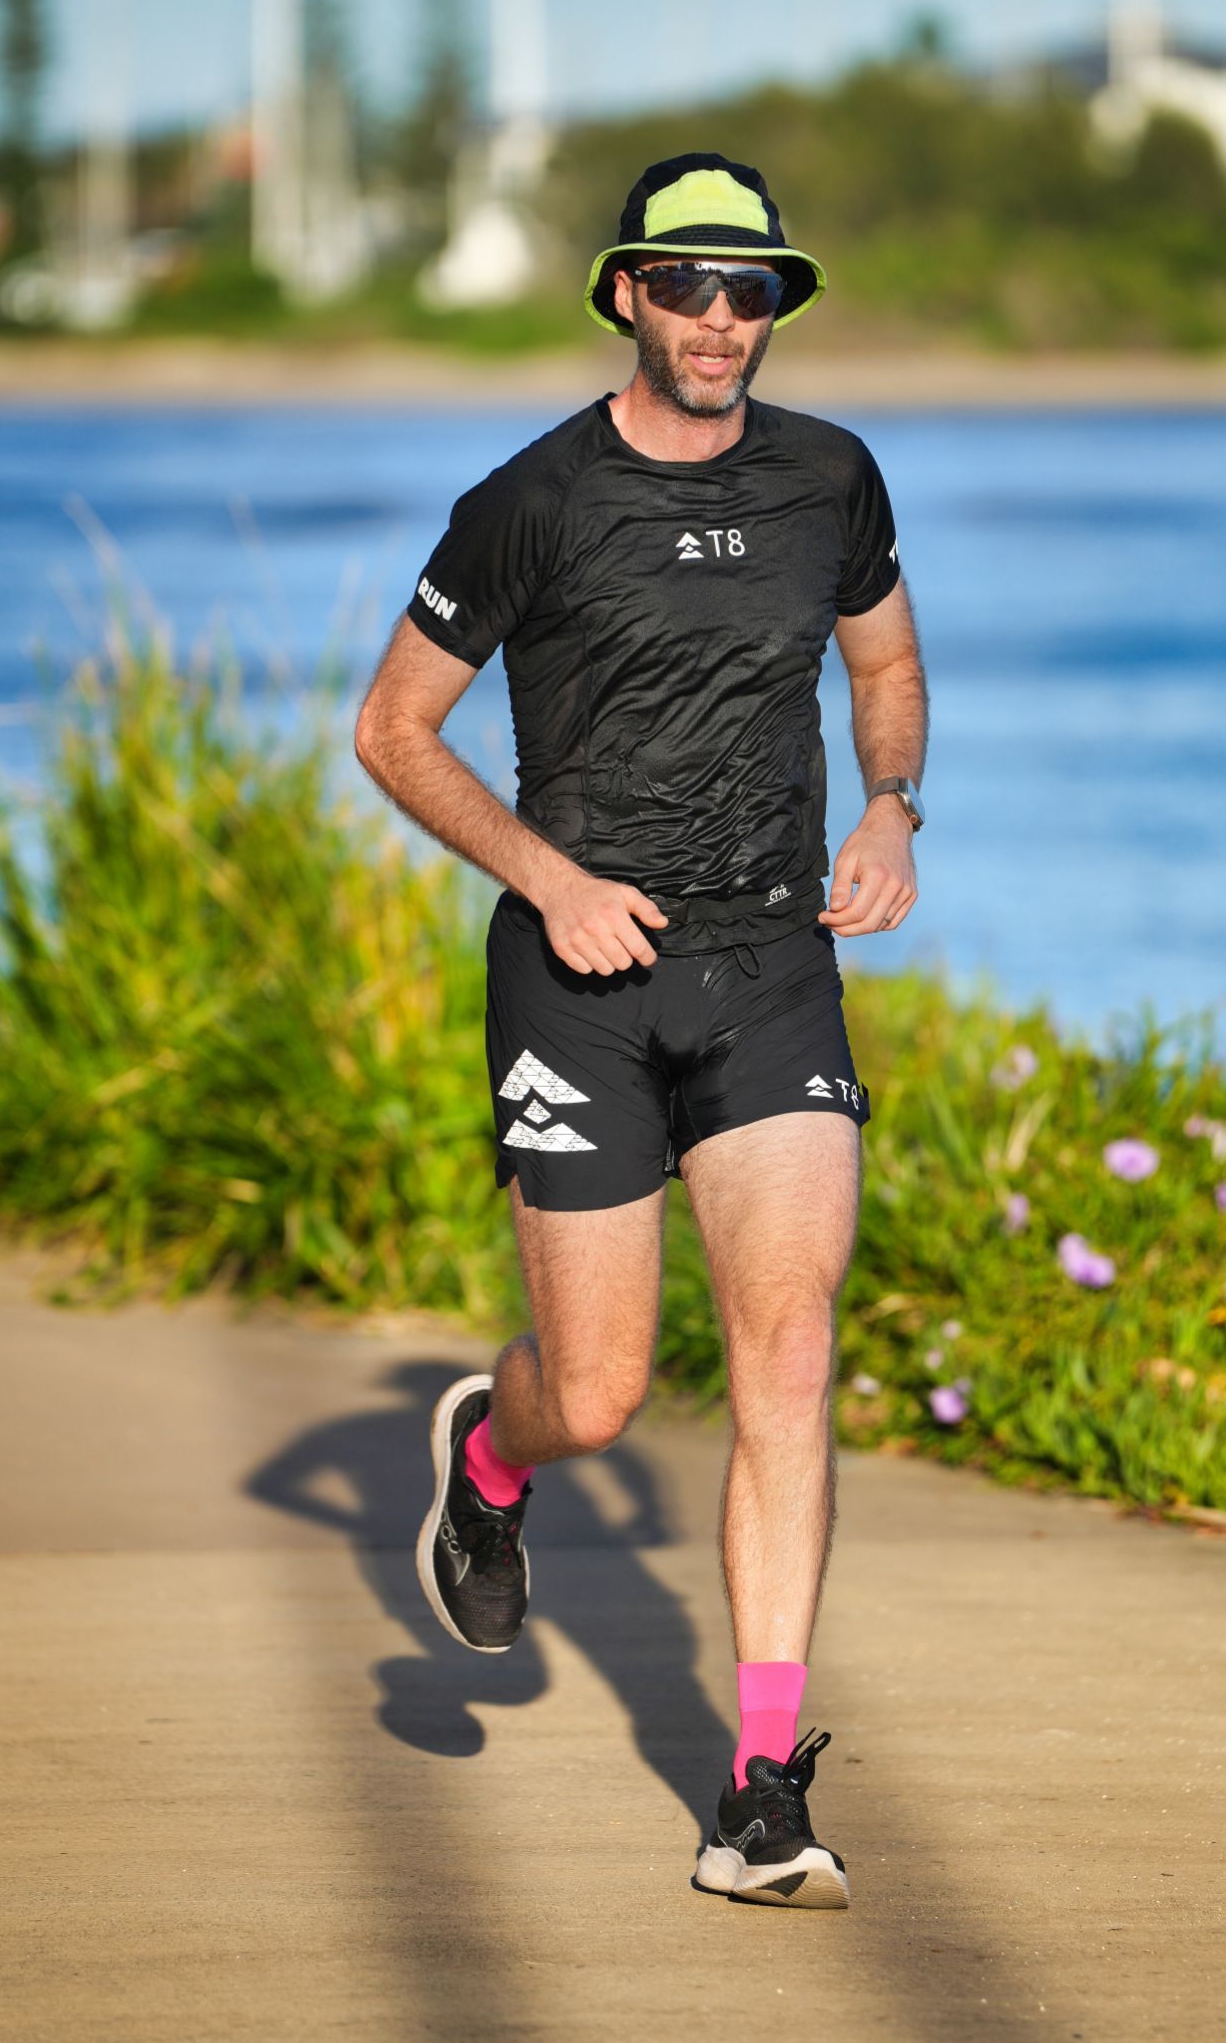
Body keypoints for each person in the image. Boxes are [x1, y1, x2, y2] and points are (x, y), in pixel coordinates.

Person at [354, 152, 927, 1909]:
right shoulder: (529, 500)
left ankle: (760, 1791)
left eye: (749, 289)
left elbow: (884, 665)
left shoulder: (832, 477)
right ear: (626, 293)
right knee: (596, 1398)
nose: (719, 318)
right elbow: (393, 730)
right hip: (580, 985)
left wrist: (892, 807)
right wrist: (549, 880)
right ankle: (489, 1454)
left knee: (788, 1352)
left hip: (771, 966)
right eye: (685, 284)